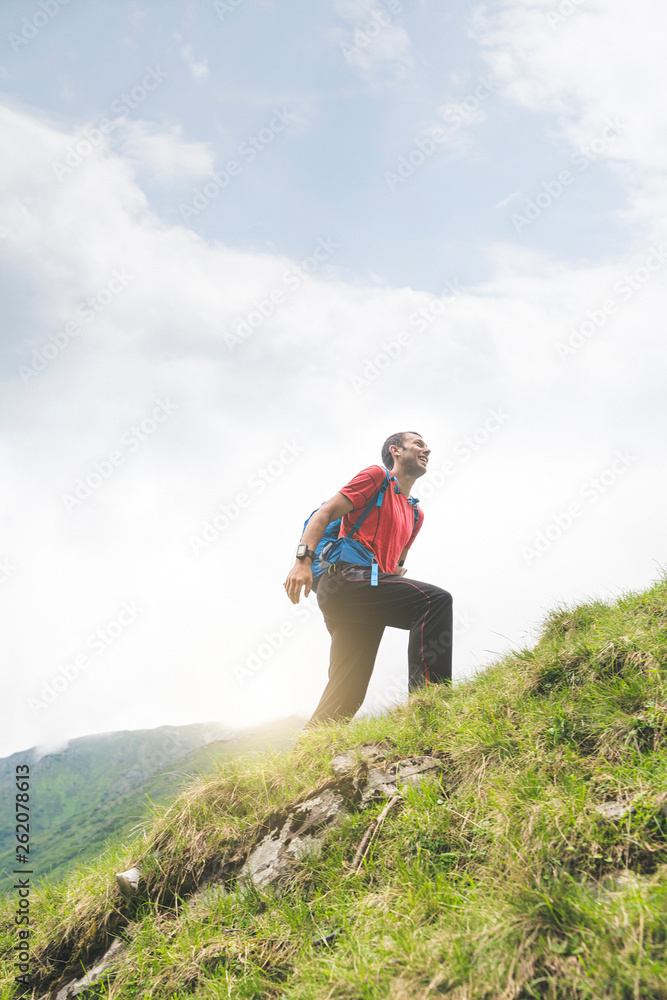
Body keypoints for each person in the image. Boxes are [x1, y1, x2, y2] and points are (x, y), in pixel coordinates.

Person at [284, 431, 453, 726]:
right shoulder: (377, 477)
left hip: (364, 595)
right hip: (345, 580)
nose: (427, 449)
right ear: (396, 451)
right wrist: (302, 563)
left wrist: (396, 575)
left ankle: (301, 762)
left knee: (347, 693)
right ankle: (430, 709)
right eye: (418, 444)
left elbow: (395, 565)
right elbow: (324, 514)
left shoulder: (416, 515)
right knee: (434, 601)